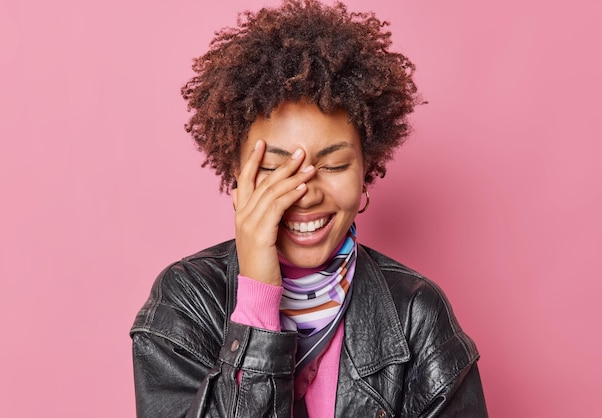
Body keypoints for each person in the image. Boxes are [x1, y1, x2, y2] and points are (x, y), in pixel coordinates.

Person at [130, 1, 488, 416]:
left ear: (365, 172)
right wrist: (259, 300)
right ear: (237, 175)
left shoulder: (417, 315)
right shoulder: (186, 302)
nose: (305, 193)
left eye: (334, 164)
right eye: (275, 168)